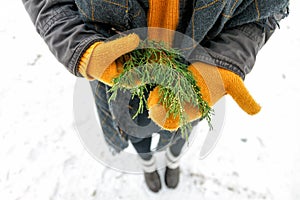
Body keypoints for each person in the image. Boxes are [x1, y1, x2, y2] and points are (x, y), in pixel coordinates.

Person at [22, 0, 289, 193]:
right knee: (137, 133)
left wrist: (224, 62)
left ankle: (173, 161)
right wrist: (78, 45)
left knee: (181, 132)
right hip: (120, 77)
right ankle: (148, 164)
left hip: (191, 82)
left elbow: (266, 9)